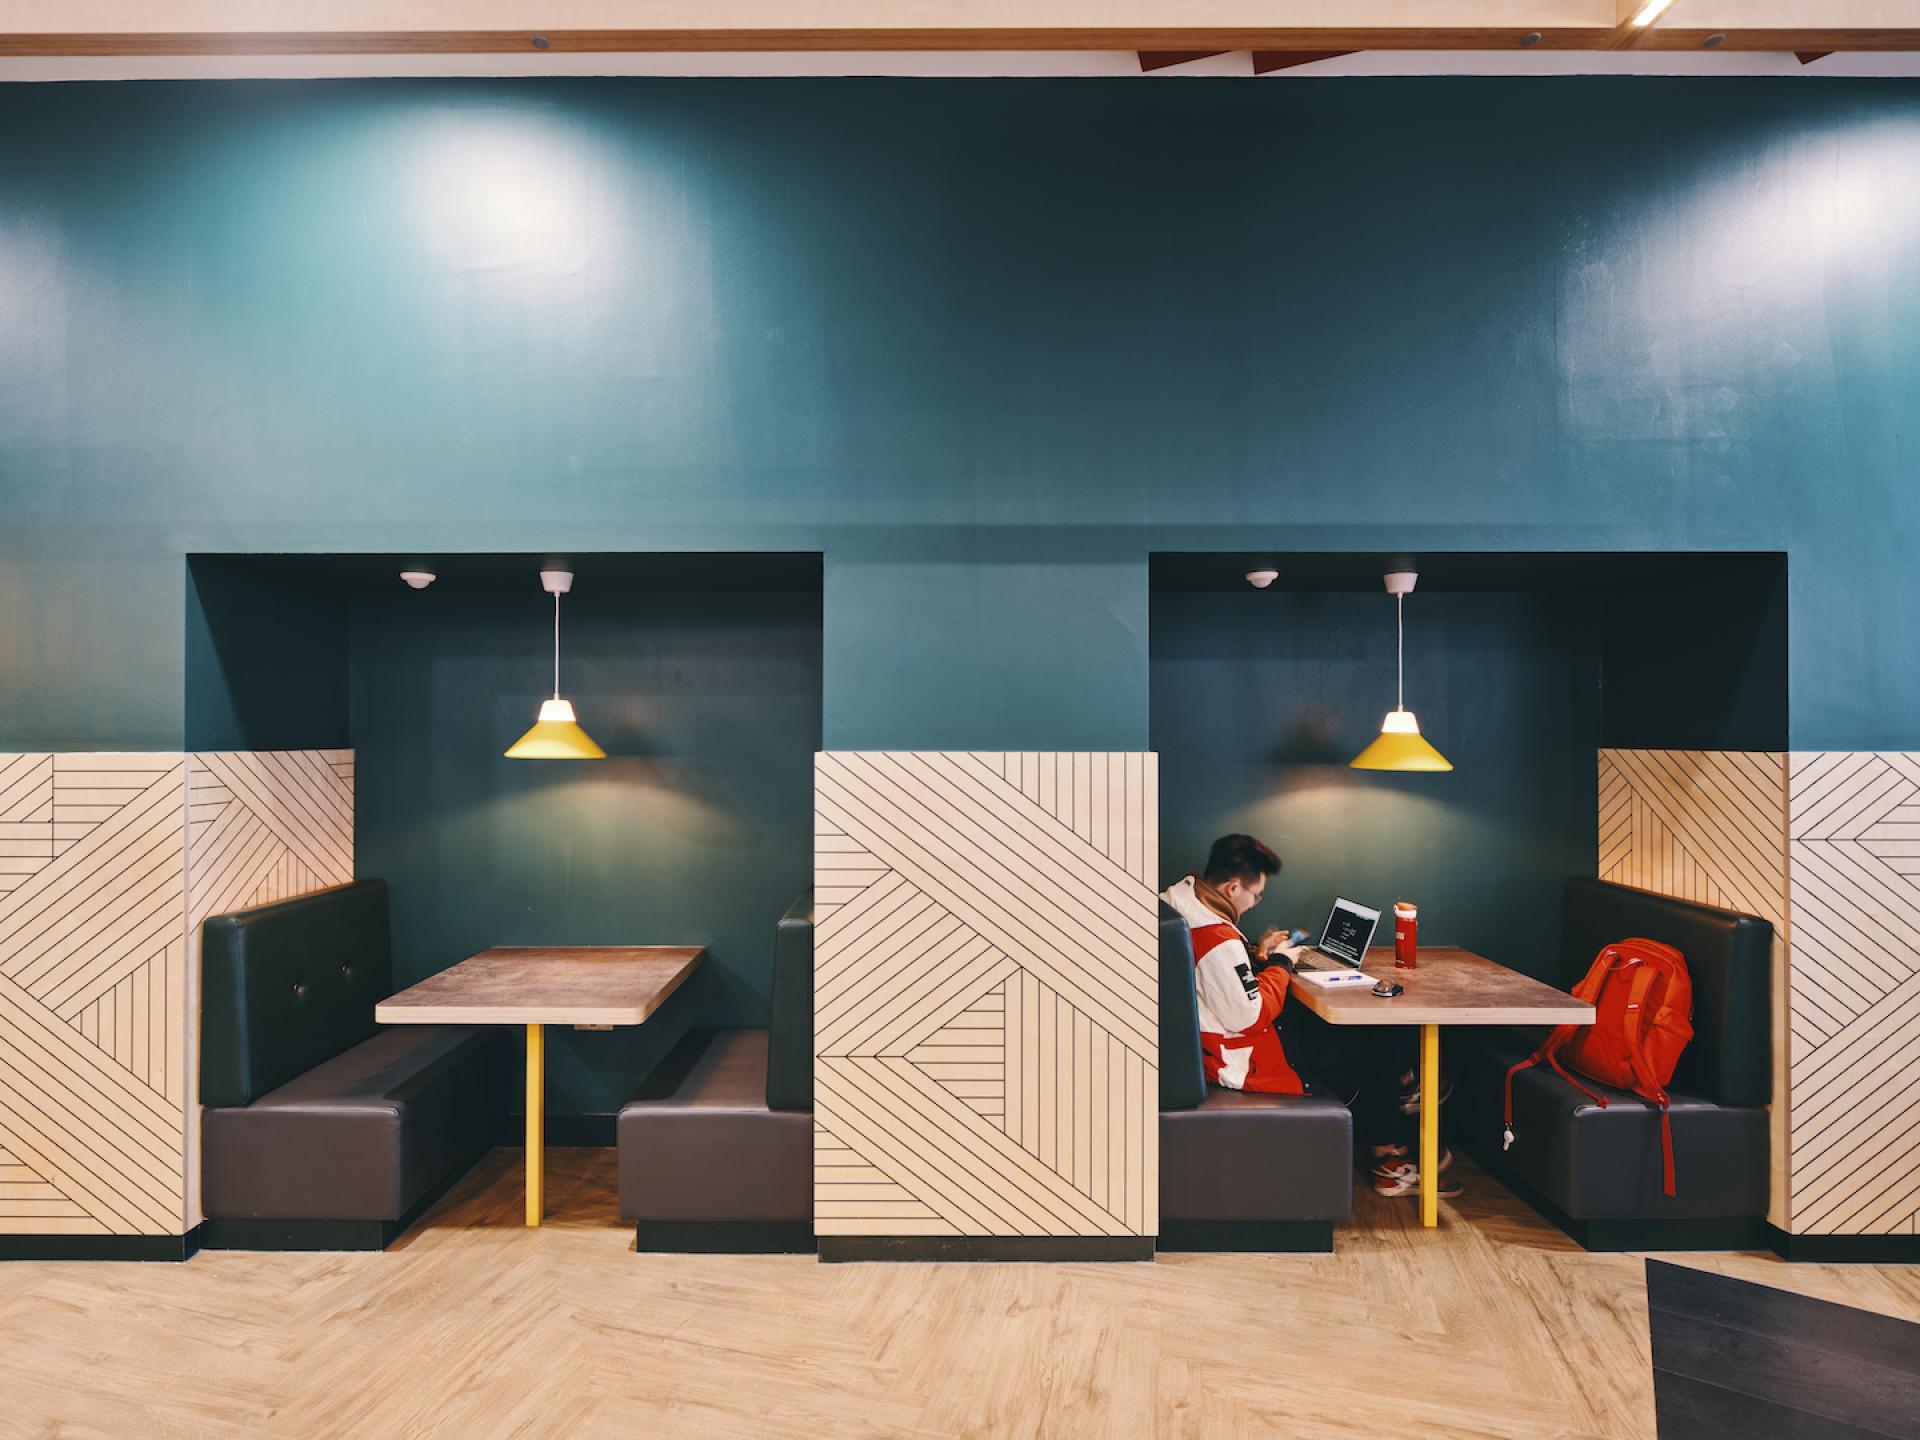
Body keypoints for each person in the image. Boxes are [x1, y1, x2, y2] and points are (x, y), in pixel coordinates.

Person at [1161, 833, 1458, 1199]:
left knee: (1363, 1039)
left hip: (1229, 1043)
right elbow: (1249, 1017)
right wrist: (1282, 964)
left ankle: (1401, 1093)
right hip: (1246, 1058)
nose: (1256, 903)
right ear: (1233, 887)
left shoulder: (1185, 898)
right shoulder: (1215, 937)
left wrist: (1256, 956)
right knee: (1380, 1039)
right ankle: (1391, 1153)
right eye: (1256, 895)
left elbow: (1216, 977)